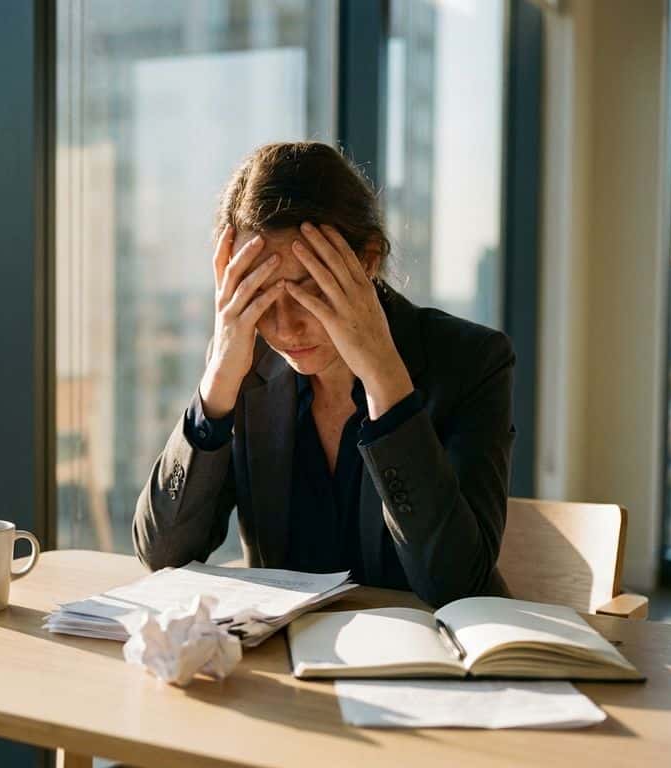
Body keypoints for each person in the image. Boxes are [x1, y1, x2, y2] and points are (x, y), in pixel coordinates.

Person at [132, 141, 514, 608]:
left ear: (368, 261)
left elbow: (456, 585)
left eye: (310, 291)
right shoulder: (243, 363)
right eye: (263, 297)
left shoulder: (472, 361)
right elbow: (163, 554)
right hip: (286, 669)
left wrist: (384, 381)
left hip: (422, 668)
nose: (285, 327)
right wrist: (216, 388)